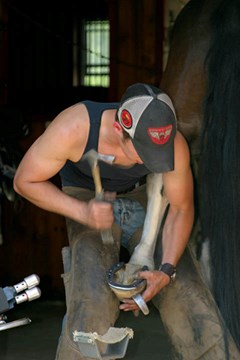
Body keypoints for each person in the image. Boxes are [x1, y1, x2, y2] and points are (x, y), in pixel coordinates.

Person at [13, 83, 194, 358]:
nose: (154, 160)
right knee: (92, 298)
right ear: (121, 129)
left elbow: (181, 208)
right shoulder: (73, 127)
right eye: (145, 152)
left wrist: (165, 272)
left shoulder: (172, 142)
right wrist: (82, 212)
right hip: (85, 196)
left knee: (190, 290)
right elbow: (24, 181)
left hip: (143, 191)